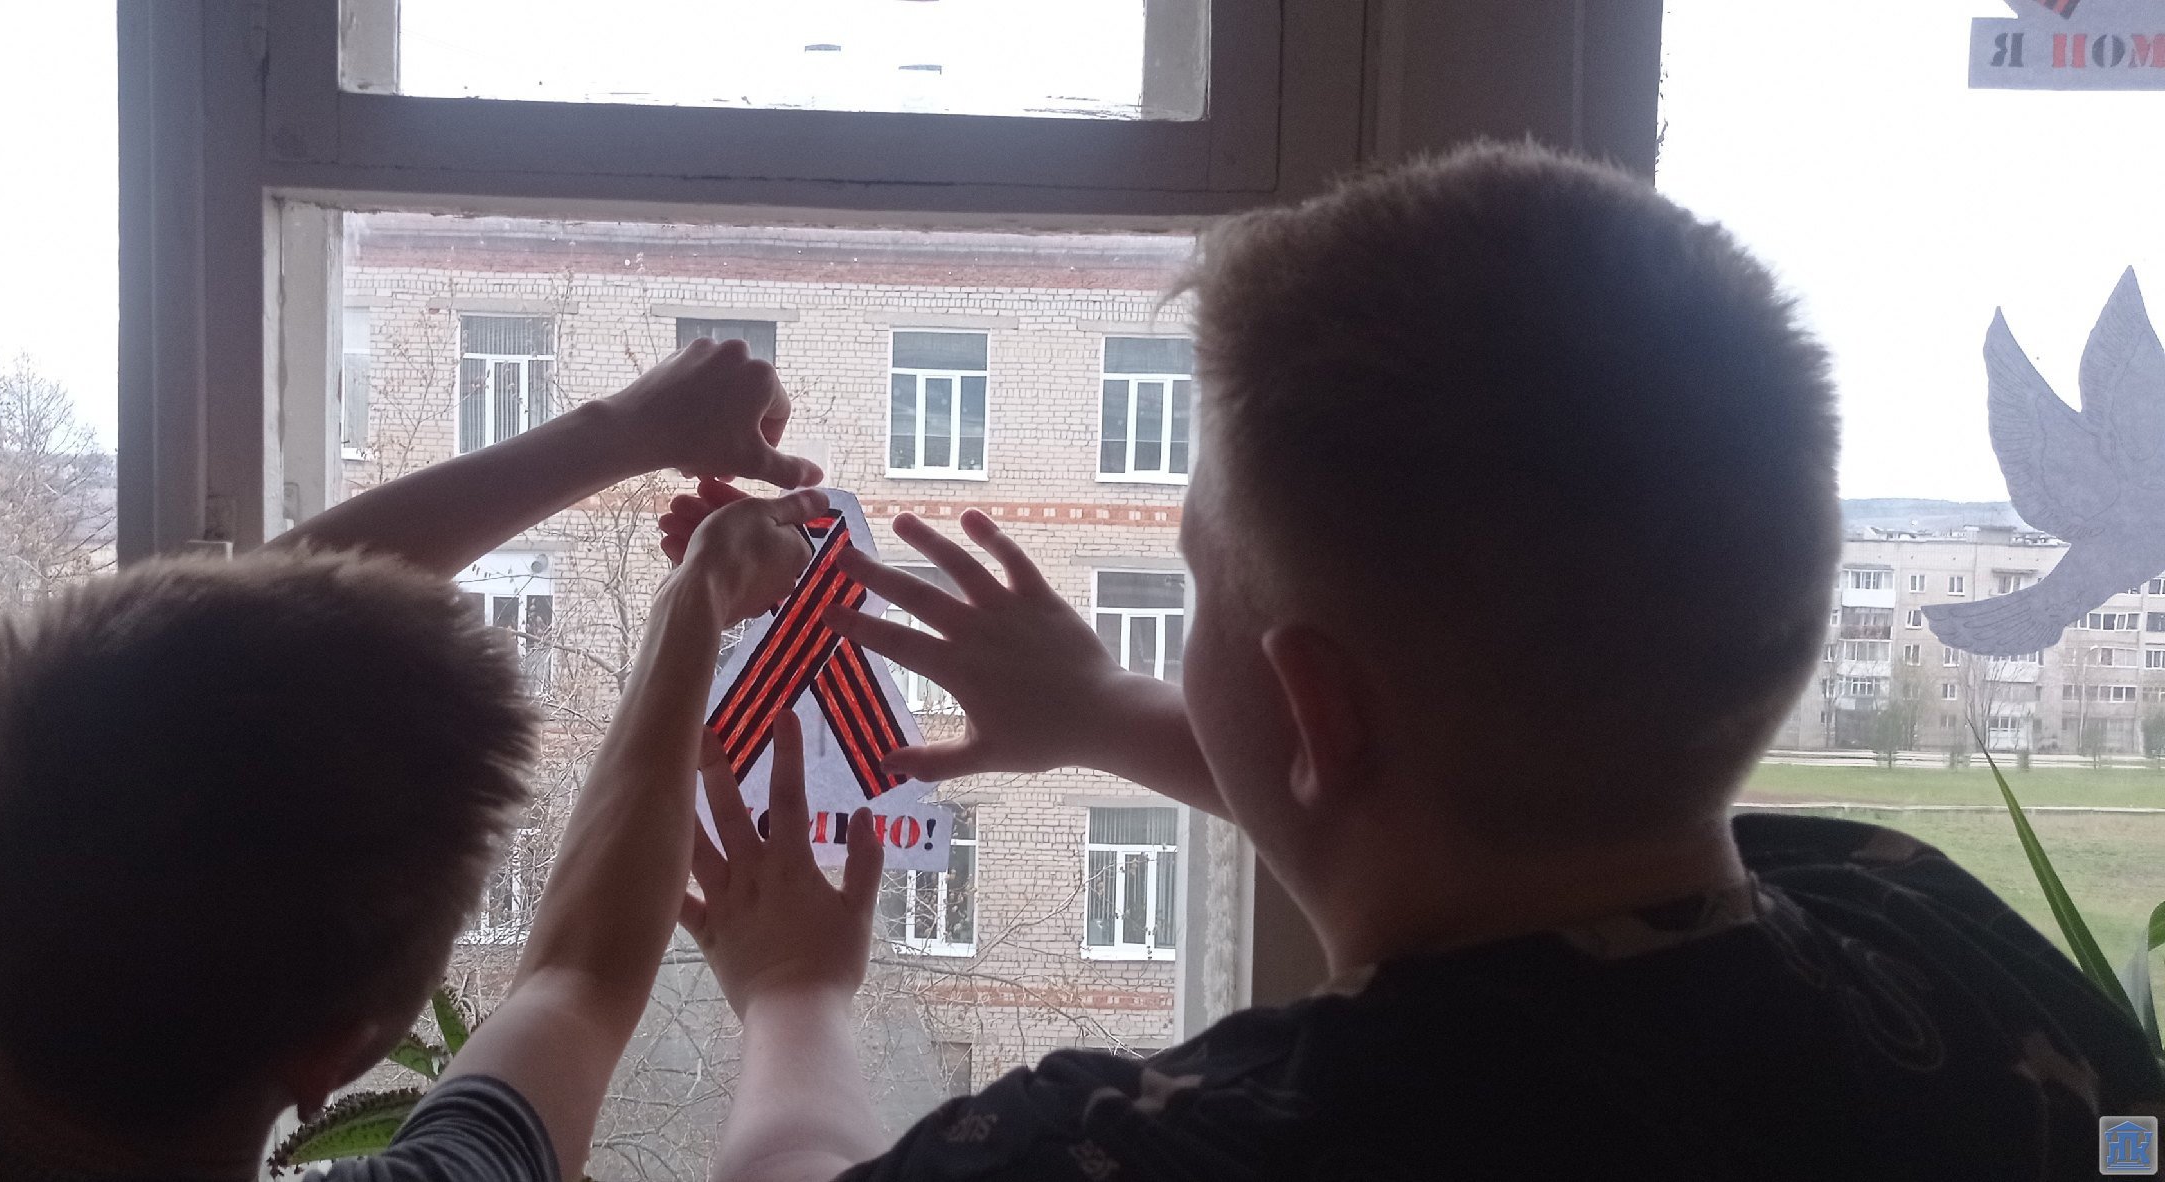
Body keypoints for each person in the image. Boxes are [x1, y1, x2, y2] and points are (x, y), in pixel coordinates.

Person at [666, 143, 2165, 1180]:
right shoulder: (1921, 929)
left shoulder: (1158, 1147)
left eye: (1193, 583)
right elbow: (1488, 814)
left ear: (1313, 702)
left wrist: (793, 993)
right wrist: (1108, 710)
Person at [0, 338, 826, 1182]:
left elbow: (184, 683)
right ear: (332, 1057)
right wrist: (697, 598)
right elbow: (575, 985)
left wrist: (620, 432)